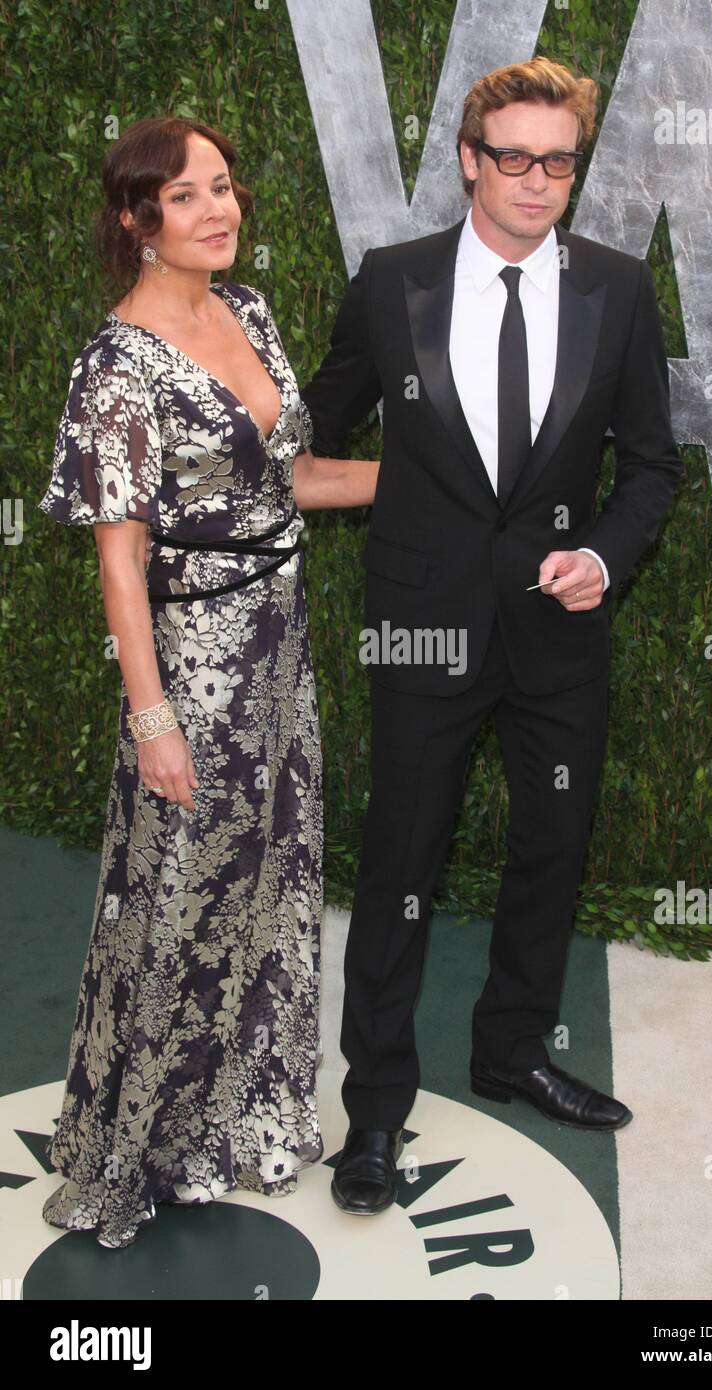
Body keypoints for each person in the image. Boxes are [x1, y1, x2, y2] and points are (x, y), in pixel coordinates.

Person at [300, 56, 683, 1215]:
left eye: (557, 160)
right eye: (512, 157)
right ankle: (372, 1111)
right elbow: (315, 424)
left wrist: (605, 558)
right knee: (400, 859)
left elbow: (651, 465)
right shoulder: (391, 283)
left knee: (550, 849)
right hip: (421, 627)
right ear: (470, 160)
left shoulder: (615, 289)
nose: (535, 180)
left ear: (575, 167)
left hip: (558, 631)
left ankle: (512, 1050)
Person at [37, 116, 378, 1248]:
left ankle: (232, 1120)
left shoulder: (250, 313)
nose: (218, 209)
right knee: (175, 894)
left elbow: (294, 484)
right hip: (192, 664)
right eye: (187, 196)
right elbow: (120, 555)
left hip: (278, 646)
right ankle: (129, 1146)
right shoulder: (118, 363)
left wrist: (440, 481)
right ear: (139, 222)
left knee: (273, 878)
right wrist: (152, 719)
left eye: (223, 186)